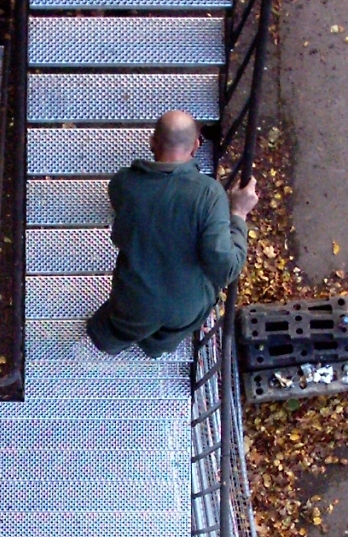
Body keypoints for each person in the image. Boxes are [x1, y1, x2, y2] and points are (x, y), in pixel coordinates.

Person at [85, 110, 258, 359]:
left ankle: (102, 345)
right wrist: (239, 214)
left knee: (113, 330)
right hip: (185, 306)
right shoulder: (209, 194)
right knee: (169, 331)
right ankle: (154, 348)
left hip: (134, 299)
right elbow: (226, 268)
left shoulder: (124, 183)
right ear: (197, 144)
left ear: (153, 142)